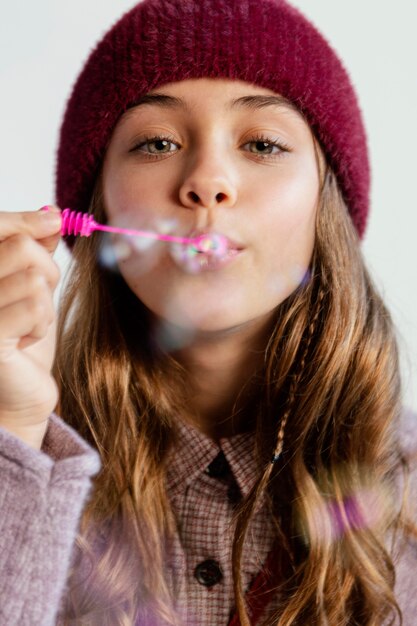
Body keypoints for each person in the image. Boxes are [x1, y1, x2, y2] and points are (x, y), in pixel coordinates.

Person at [0, 0, 416, 624]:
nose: (208, 180)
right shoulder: (21, 451)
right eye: (158, 142)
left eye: (264, 144)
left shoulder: (405, 495)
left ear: (324, 207)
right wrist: (14, 433)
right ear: (96, 213)